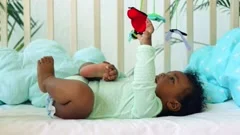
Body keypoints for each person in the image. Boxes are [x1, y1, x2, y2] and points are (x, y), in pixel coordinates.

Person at [37, 19, 205, 119]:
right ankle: (91, 71)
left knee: (84, 95)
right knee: (99, 66)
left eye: (171, 79)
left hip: (70, 104)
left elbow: (143, 83)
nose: (163, 74)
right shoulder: (140, 92)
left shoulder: (149, 108)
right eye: (168, 73)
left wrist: (145, 43)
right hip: (81, 84)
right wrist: (112, 74)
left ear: (174, 104)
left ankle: (46, 81)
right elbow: (126, 84)